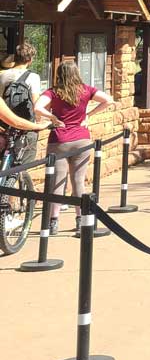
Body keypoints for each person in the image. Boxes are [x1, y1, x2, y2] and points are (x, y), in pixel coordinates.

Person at [34, 61, 115, 235]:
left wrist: (53, 117)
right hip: (81, 139)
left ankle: (53, 221)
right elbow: (109, 100)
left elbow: (37, 107)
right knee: (78, 182)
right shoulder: (86, 90)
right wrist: (88, 115)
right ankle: (81, 220)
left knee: (57, 183)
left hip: (59, 140)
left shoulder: (53, 92)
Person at [0, 42, 45, 168]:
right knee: (23, 165)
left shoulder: (3, 76)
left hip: (5, 124)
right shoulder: (33, 77)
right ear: (30, 60)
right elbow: (36, 104)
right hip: (26, 125)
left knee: (4, 160)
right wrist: (37, 123)